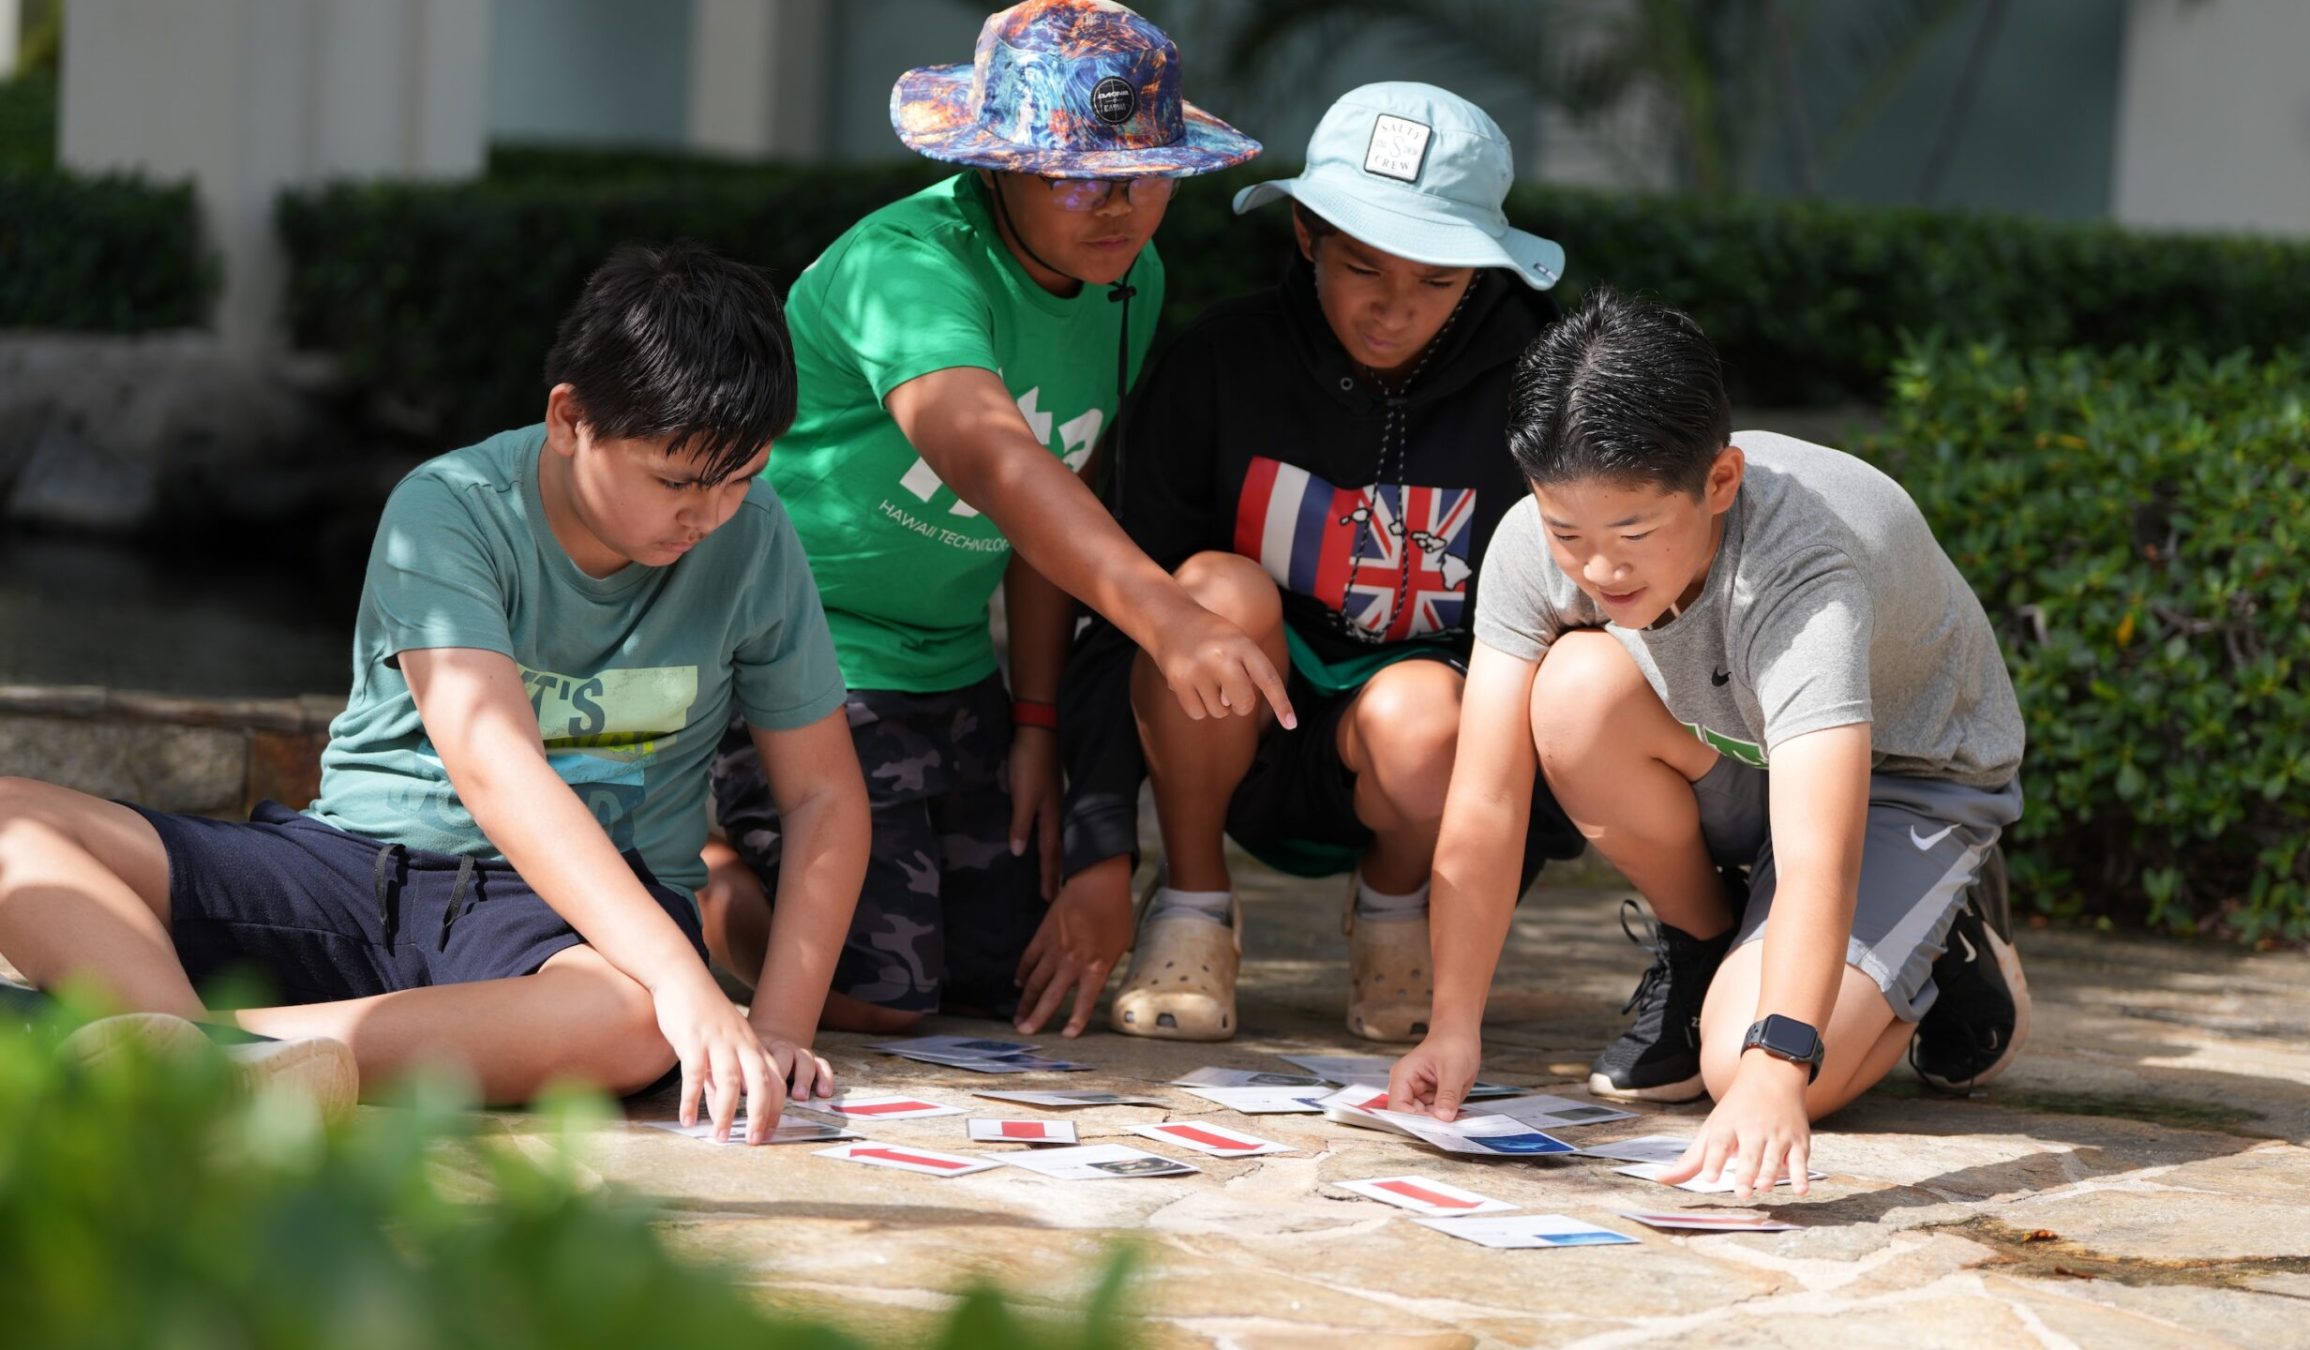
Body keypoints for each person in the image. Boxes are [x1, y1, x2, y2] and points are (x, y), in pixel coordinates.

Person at [0, 242, 866, 1142]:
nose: (711, 514)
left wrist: (775, 1027)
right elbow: (495, 766)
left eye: (742, 479)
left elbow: (822, 794)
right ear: (570, 419)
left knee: (639, 1020)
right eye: (677, 481)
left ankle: (193, 1054)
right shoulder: (450, 506)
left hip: (567, 922)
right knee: (11, 821)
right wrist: (687, 980)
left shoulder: (755, 541)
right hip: (353, 871)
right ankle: (206, 1059)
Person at [701, 0, 1291, 1036]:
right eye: (1075, 177)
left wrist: (1034, 720)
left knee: (1003, 979)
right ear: (996, 167)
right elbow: (996, 459)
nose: (1116, 208)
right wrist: (1168, 615)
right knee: (879, 1000)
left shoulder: (1128, 280)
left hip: (950, 671)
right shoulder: (911, 265)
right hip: (795, 651)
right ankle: (712, 874)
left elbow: (1057, 492)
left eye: (1145, 175)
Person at [1387, 289, 2029, 1195]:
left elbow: (1818, 850)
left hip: (1903, 781)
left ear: (1719, 481)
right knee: (1573, 691)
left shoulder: (1804, 567)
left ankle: (1943, 941)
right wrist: (1452, 1022)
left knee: (1740, 1062)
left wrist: (1775, 1070)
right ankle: (1707, 945)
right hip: (1747, 752)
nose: (1599, 569)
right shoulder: (1534, 542)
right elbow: (1487, 795)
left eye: (1635, 532)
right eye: (1567, 532)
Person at [1024, 83, 1584, 1043]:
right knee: (1207, 593)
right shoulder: (1218, 364)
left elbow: (1578, 626)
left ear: (1484, 273)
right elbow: (1122, 609)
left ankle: (1397, 913)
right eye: (1362, 266)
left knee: (1427, 717)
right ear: (1305, 235)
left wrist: (1497, 863)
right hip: (1230, 737)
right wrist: (1099, 844)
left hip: (1419, 755)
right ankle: (1194, 905)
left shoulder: (1542, 383)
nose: (1392, 310)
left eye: (1438, 281)